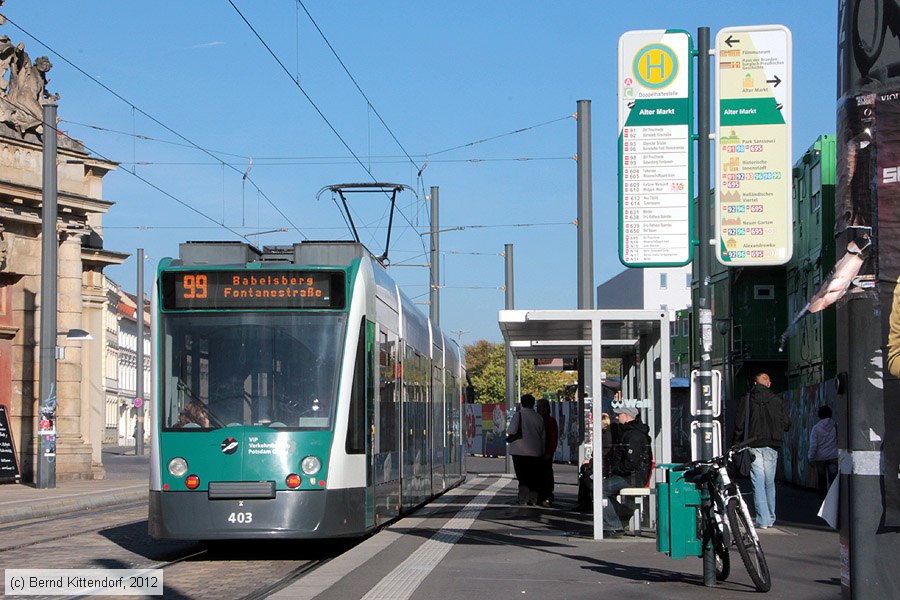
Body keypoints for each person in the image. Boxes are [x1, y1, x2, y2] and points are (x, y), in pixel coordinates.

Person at [732, 372, 791, 529]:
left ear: (755, 383)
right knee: (769, 481)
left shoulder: (747, 399)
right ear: (769, 384)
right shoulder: (778, 400)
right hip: (772, 445)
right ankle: (771, 518)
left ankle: (762, 519)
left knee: (757, 481)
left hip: (753, 444)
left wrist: (736, 443)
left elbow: (739, 423)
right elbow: (787, 424)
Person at [601, 406, 651, 536]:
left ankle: (615, 524)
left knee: (600, 490)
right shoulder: (627, 432)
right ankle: (622, 515)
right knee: (600, 487)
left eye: (619, 415)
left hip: (632, 476)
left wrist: (615, 470)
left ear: (627, 416)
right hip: (630, 475)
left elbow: (631, 463)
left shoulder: (633, 435)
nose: (616, 417)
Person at [506, 393, 545, 505]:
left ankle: (522, 499)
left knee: (522, 477)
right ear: (533, 404)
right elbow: (543, 436)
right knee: (533, 476)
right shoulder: (539, 417)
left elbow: (511, 430)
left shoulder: (518, 415)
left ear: (522, 403)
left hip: (519, 451)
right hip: (535, 451)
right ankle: (533, 499)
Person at [575, 412, 612, 512]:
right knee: (584, 476)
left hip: (603, 468)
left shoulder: (605, 436)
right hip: (600, 465)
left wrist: (591, 463)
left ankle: (585, 505)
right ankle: (584, 504)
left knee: (586, 479)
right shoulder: (605, 434)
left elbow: (603, 453)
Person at [808, 405, 839, 503]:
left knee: (822, 481)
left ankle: (823, 501)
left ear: (819, 415)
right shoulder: (835, 426)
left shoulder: (816, 428)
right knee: (833, 480)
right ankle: (834, 500)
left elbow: (814, 445)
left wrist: (811, 458)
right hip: (833, 456)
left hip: (820, 458)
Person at [535, 398, 559, 507]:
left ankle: (547, 496)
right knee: (542, 474)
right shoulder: (542, 420)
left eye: (539, 407)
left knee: (546, 475)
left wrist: (549, 452)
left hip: (545, 451)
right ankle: (543, 496)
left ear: (545, 408)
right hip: (540, 451)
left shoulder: (549, 421)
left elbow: (552, 438)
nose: (537, 409)